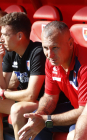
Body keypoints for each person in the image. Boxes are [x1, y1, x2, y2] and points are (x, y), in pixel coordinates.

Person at [17, 20, 87, 140]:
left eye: (55, 47)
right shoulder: (52, 60)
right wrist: (39, 115)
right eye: (45, 48)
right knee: (36, 122)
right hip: (77, 109)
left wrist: (46, 121)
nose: (50, 54)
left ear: (70, 43)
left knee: (73, 130)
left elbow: (86, 112)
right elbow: (50, 97)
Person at [0, 12, 46, 140]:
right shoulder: (10, 52)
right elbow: (3, 85)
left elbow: (31, 95)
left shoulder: (37, 52)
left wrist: (4, 94)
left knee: (17, 109)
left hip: (44, 103)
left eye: (5, 35)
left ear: (19, 35)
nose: (1, 39)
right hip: (26, 100)